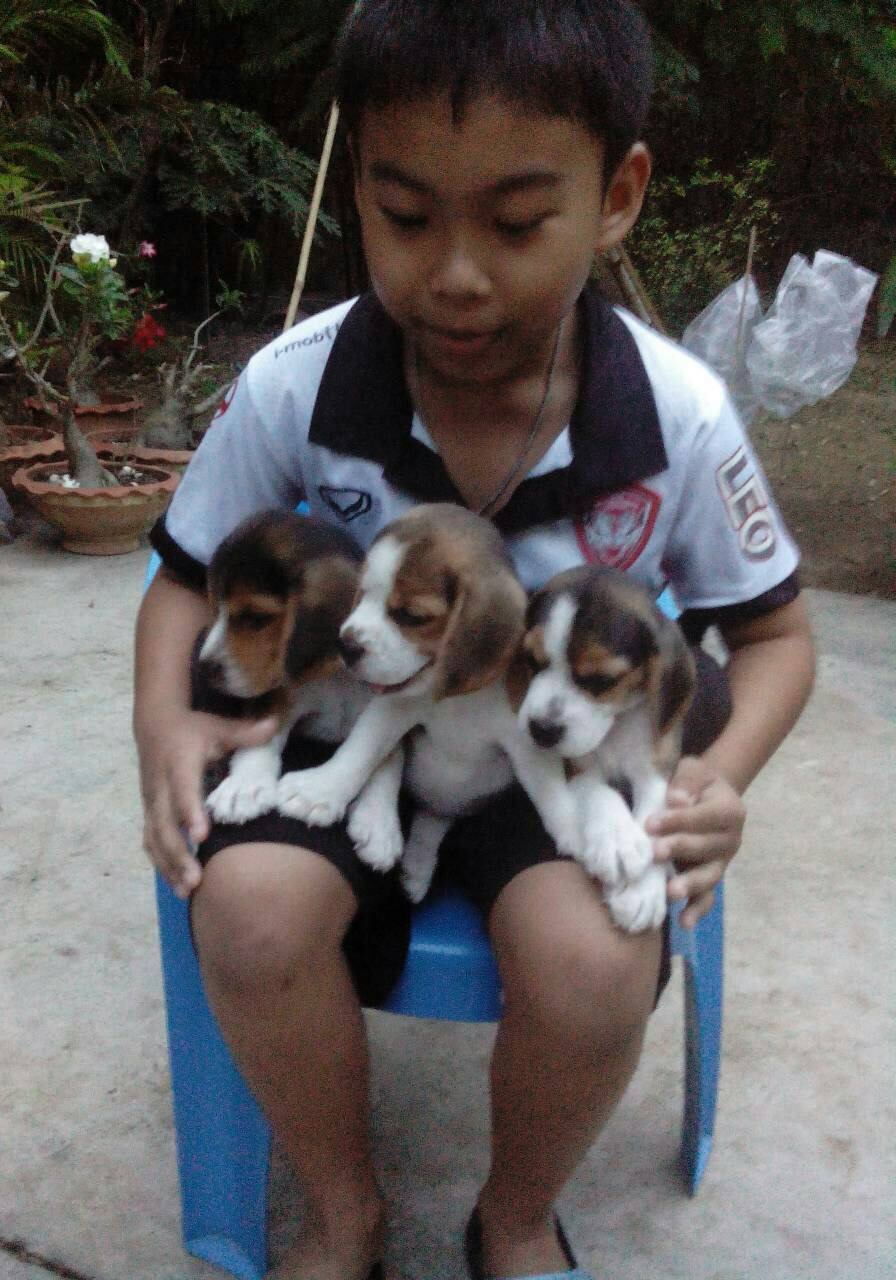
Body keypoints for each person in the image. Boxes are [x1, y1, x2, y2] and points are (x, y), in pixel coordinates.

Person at [133, 3, 816, 1278]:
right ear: (358, 187)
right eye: (405, 215)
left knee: (593, 961)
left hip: (548, 761)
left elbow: (775, 634)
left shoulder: (676, 414)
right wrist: (166, 723)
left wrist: (710, 779)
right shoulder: (296, 382)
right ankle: (345, 1211)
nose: (454, 272)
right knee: (250, 911)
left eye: (514, 222)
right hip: (354, 724)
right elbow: (181, 577)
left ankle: (513, 1213)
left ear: (616, 197)